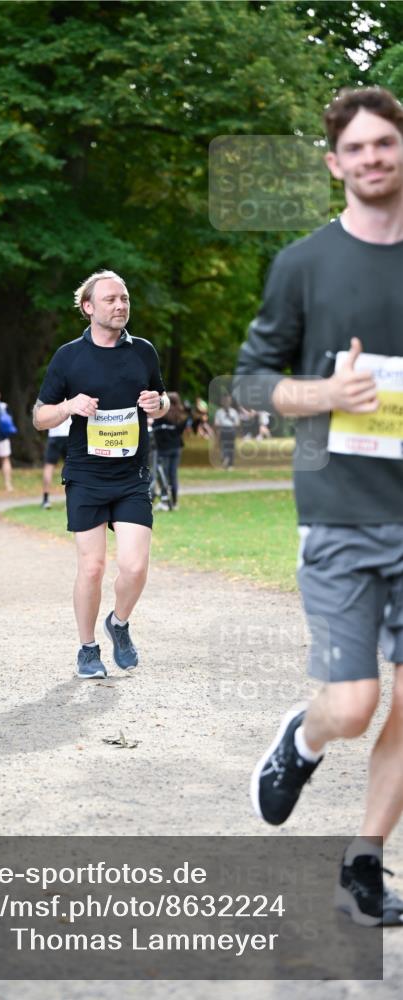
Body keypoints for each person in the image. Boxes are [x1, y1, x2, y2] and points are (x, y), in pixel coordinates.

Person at [234, 86, 403, 926]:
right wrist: (326, 393)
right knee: (353, 704)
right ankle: (301, 740)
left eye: (385, 143)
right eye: (357, 148)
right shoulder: (302, 263)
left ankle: (363, 862)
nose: (373, 158)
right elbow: (248, 383)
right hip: (338, 511)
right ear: (335, 163)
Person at [33, 269, 168, 679]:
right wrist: (68, 406)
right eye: (111, 299)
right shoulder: (69, 356)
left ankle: (119, 623)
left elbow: (162, 400)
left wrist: (158, 404)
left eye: (124, 298)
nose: (120, 305)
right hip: (86, 475)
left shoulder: (144, 351)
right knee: (92, 567)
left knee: (134, 566)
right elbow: (39, 417)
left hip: (131, 475)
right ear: (88, 307)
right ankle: (88, 649)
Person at [151, 392, 190, 510]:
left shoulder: (161, 414)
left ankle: (165, 501)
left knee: (164, 475)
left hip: (163, 449)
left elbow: (155, 429)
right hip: (176, 448)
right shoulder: (180, 416)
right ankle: (174, 501)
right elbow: (181, 431)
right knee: (173, 475)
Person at [41, 414, 71, 509]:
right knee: (70, 467)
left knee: (49, 467)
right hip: (69, 434)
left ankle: (46, 500)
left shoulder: (52, 402)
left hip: (54, 434)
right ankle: (69, 500)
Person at [213, 393, 239, 469]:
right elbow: (216, 424)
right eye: (225, 400)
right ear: (222, 402)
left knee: (231, 447)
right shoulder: (219, 412)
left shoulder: (234, 412)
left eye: (228, 401)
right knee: (223, 446)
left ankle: (230, 464)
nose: (227, 402)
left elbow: (237, 424)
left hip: (231, 430)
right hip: (223, 430)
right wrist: (217, 432)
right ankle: (225, 458)